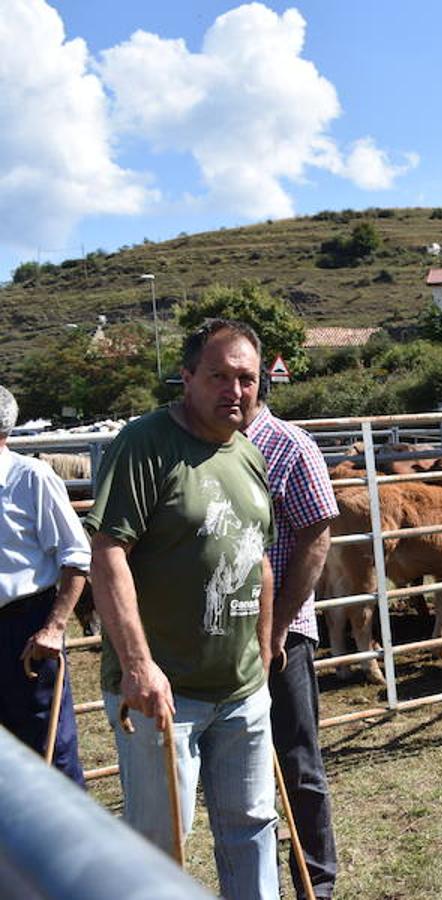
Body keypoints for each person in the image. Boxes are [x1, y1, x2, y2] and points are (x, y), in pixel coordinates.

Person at [87, 319, 279, 900]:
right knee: (161, 844)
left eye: (246, 378)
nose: (235, 391)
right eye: (219, 376)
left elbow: (259, 560)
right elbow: (107, 552)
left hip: (241, 689)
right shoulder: (146, 444)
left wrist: (264, 652)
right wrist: (138, 666)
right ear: (187, 376)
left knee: (252, 828)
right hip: (165, 693)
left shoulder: (248, 454)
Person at [242, 367, 340, 898]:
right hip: (220, 636)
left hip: (283, 633)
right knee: (240, 770)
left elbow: (316, 538)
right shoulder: (202, 447)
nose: (234, 391)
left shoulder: (289, 446)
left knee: (297, 762)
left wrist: (277, 627)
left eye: (246, 379)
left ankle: (315, 885)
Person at [0, 385, 90, 785]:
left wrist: (54, 628)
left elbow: (77, 556)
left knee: (48, 752)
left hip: (24, 629)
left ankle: (69, 844)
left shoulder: (31, 477)